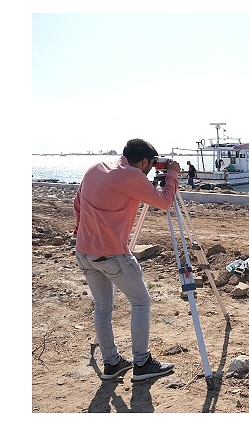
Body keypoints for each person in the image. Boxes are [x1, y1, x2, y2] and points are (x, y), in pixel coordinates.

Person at [73, 138, 181, 381]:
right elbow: (164, 202)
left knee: (102, 307)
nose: (150, 170)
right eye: (151, 165)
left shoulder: (96, 168)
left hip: (84, 251)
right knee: (141, 302)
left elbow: (77, 203)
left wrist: (81, 231)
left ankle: (111, 363)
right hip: (111, 253)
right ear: (144, 161)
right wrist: (172, 175)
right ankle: (142, 363)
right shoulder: (132, 176)